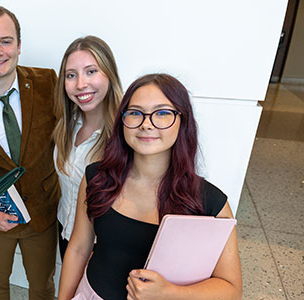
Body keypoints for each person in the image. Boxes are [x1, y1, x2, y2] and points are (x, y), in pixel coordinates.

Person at [58, 73, 242, 300]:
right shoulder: (97, 177)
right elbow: (78, 248)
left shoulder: (210, 202)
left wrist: (170, 293)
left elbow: (231, 289)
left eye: (163, 113)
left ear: (183, 121)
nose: (146, 124)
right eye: (135, 113)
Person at [0, 5, 60, 300]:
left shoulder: (49, 82)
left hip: (43, 213)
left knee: (43, 286)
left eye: (5, 41)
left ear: (19, 46)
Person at [52, 36, 123, 260]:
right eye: (71, 75)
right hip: (65, 232)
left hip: (103, 247)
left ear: (109, 74)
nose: (81, 84)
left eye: (91, 71)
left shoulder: (127, 134)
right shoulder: (67, 125)